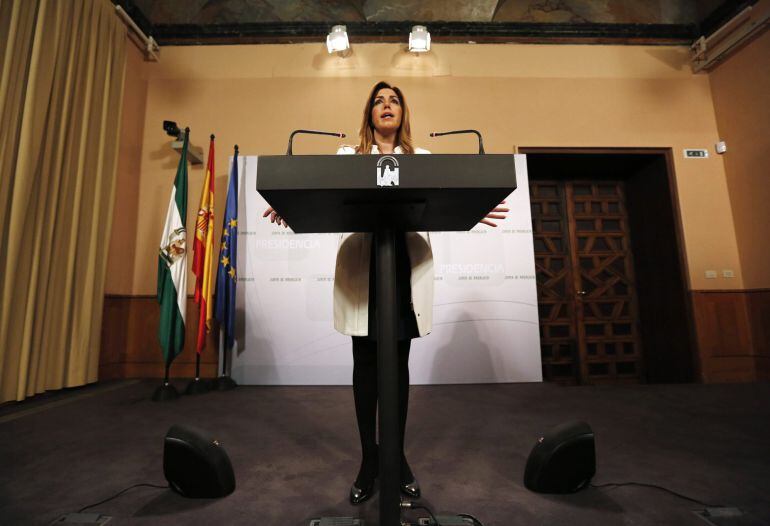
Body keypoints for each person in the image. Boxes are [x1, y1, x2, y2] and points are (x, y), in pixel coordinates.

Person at [263, 81, 508, 504]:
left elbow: (452, 193)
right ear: (369, 114)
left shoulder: (423, 160)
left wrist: (474, 202)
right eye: (379, 101)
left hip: (403, 270)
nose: (387, 106)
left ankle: (396, 457)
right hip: (363, 268)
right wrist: (292, 207)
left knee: (397, 368)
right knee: (366, 370)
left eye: (394, 100)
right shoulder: (347, 158)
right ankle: (369, 460)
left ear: (403, 112)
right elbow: (314, 194)